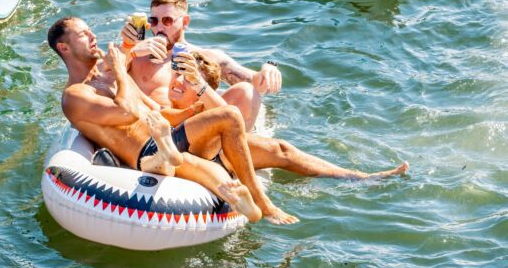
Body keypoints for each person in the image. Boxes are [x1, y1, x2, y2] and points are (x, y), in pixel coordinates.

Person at [47, 15, 289, 224]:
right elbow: (128, 112)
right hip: (142, 151)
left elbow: (154, 110)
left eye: (90, 30)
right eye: (83, 34)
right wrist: (121, 68)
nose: (92, 35)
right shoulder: (75, 94)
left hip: (166, 135)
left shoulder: (103, 78)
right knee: (221, 129)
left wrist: (192, 112)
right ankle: (168, 155)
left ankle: (257, 206)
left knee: (229, 124)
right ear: (64, 48)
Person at [168, 48, 409, 180]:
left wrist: (268, 66)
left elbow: (232, 110)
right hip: (181, 146)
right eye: (177, 75)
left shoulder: (207, 104)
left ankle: (360, 176)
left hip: (218, 153)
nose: (179, 81)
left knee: (281, 150)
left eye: (186, 78)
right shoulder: (160, 101)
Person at [119, 0, 281, 131]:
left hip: (191, 131)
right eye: (153, 21)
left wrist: (269, 67)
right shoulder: (137, 53)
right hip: (146, 125)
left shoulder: (204, 57)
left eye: (167, 20)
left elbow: (257, 84)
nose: (159, 27)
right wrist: (127, 48)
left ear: (185, 22)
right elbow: (104, 75)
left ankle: (232, 152)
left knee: (247, 92)